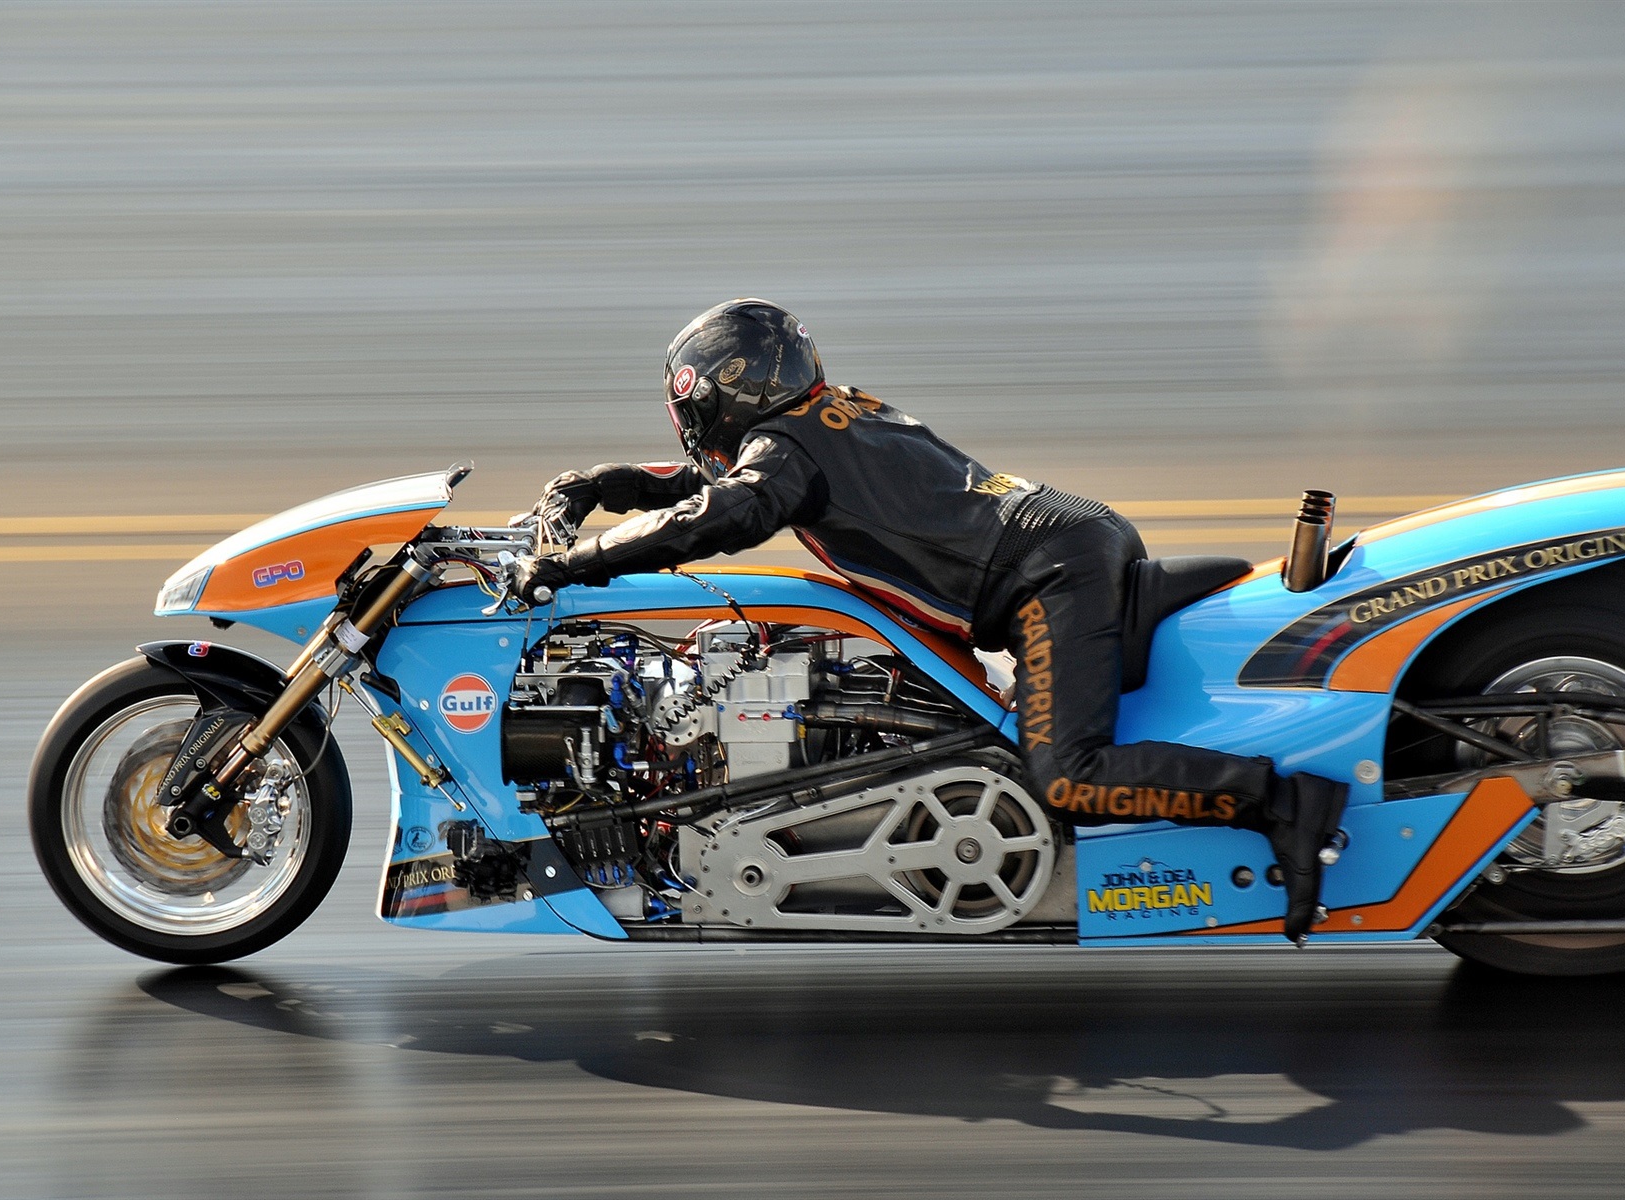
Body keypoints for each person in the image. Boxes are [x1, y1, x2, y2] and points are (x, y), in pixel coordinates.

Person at [508, 299, 1348, 941]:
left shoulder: (789, 451)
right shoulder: (821, 417)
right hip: (1064, 541)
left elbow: (715, 516)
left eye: (692, 403)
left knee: (1067, 776)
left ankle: (1282, 803)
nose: (689, 423)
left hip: (1049, 577)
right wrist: (601, 484)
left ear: (725, 397)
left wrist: (571, 564)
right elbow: (706, 492)